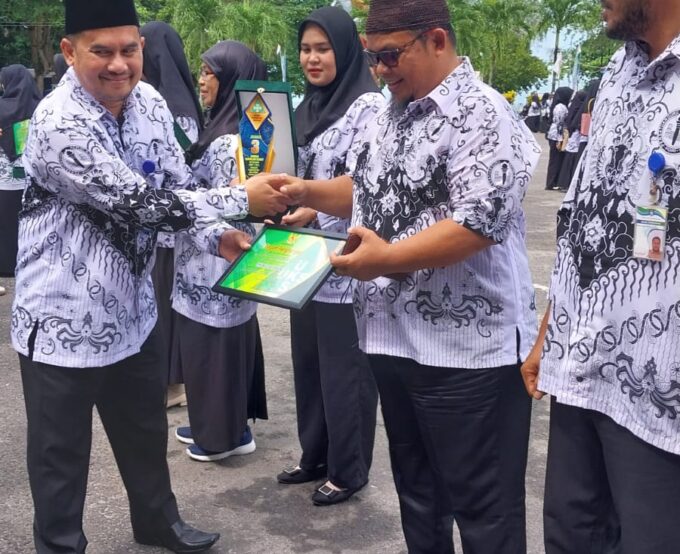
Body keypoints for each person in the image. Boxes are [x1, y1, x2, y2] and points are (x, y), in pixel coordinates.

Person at [13, 1, 287, 552]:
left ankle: (158, 524)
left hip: (132, 312)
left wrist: (218, 237)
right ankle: (61, 544)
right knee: (59, 452)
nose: (119, 64)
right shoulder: (57, 120)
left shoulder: (150, 103)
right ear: (70, 52)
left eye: (129, 49)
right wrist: (240, 200)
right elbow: (138, 203)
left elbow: (176, 182)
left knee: (144, 432)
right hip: (61, 318)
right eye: (102, 51)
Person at [279, 0, 540, 550]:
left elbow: (478, 223)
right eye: (373, 57)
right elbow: (367, 186)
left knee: (484, 513)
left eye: (391, 55)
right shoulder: (386, 111)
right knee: (419, 499)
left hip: (468, 354)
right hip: (394, 342)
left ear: (437, 40)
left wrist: (385, 260)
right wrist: (308, 192)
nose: (380, 70)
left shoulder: (483, 113)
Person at [521, 0, 680, 551]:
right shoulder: (618, 71)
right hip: (581, 367)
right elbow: (580, 212)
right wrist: (549, 330)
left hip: (661, 394)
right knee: (571, 533)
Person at [275, 5, 381, 506]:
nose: (312, 59)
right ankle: (314, 453)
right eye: (305, 49)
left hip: (347, 262)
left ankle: (349, 469)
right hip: (304, 259)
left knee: (347, 372)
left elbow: (368, 186)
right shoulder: (306, 107)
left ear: (344, 50)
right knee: (311, 365)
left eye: (322, 49)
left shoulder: (368, 110)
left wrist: (314, 210)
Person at [172, 41, 269, 463]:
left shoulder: (233, 141)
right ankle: (221, 422)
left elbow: (237, 202)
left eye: (210, 73)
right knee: (212, 351)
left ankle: (222, 436)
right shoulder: (226, 131)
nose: (202, 80)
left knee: (216, 349)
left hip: (218, 261)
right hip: (207, 262)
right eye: (201, 71)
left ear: (231, 80)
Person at [140, 20, 204, 408]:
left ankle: (171, 384)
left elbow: (177, 169)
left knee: (165, 305)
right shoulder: (167, 99)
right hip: (160, 221)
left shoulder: (172, 109)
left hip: (170, 225)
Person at [0, 65, 41, 279]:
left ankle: (6, 263)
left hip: (4, 176)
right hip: (32, 176)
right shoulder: (42, 107)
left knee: (5, 220)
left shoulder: (1, 106)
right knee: (31, 219)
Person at [555, 89, 587, 191]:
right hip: (577, 137)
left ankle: (563, 183)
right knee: (572, 161)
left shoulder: (573, 107)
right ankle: (567, 184)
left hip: (571, 136)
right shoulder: (582, 108)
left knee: (567, 160)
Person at [545, 86, 573, 191]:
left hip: (554, 133)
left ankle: (552, 182)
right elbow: (560, 124)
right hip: (557, 135)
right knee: (555, 159)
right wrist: (560, 139)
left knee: (555, 159)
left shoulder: (558, 106)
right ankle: (551, 182)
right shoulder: (561, 107)